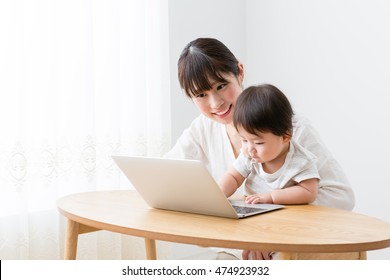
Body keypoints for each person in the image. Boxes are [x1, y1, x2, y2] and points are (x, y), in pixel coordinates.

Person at [165, 37, 355, 260]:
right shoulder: (202, 128)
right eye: (201, 95)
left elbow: (341, 197)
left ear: (240, 72)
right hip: (234, 246)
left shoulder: (290, 129)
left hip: (291, 243)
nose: (215, 103)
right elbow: (165, 176)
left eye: (221, 86)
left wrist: (271, 231)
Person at [218, 84, 320, 207]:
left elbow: (309, 192)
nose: (250, 149)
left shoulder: (301, 161)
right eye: (244, 140)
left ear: (285, 136)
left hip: (287, 217)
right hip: (254, 211)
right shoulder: (249, 155)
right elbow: (233, 177)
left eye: (258, 143)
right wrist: (219, 193)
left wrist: (271, 197)